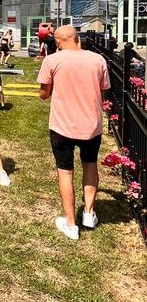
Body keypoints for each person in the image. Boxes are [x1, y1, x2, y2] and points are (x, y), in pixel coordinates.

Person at [37, 25, 110, 240]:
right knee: (90, 165)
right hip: (91, 125)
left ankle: (71, 223)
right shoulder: (97, 60)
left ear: (58, 42)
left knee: (65, 171)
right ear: (78, 39)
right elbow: (104, 89)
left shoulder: (52, 60)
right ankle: (88, 213)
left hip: (62, 125)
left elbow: (43, 94)